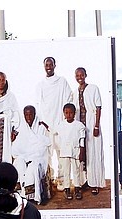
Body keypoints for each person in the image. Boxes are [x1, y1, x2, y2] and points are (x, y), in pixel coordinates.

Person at [36, 57, 73, 191]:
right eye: (46, 65)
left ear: (55, 65)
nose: (49, 67)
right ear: (44, 66)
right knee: (47, 154)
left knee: (62, 154)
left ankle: (62, 180)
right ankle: (49, 180)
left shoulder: (62, 81)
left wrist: (64, 120)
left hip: (60, 122)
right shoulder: (40, 84)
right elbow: (38, 104)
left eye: (51, 64)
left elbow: (69, 99)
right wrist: (42, 122)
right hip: (46, 124)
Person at [73, 67, 105, 195]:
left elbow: (98, 108)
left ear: (86, 75)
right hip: (81, 126)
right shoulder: (74, 92)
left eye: (81, 74)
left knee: (94, 154)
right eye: (77, 75)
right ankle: (85, 181)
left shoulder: (93, 88)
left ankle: (95, 183)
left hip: (92, 124)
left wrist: (96, 126)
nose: (79, 77)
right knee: (83, 155)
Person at [11, 105, 50, 205]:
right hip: (25, 156)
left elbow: (44, 145)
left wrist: (31, 156)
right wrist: (25, 156)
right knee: (18, 162)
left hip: (37, 157)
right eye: (26, 114)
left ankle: (32, 195)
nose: (28, 117)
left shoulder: (41, 127)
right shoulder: (22, 128)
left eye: (30, 114)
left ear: (35, 114)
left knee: (33, 166)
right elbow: (17, 147)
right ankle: (20, 193)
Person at [50, 103, 86, 200]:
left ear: (74, 113)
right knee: (65, 171)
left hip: (75, 151)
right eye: (66, 113)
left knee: (76, 170)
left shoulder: (79, 125)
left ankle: (77, 188)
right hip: (65, 151)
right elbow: (52, 131)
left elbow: (82, 139)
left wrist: (82, 152)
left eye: (71, 113)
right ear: (64, 114)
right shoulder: (61, 125)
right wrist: (44, 124)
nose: (68, 115)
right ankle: (67, 189)